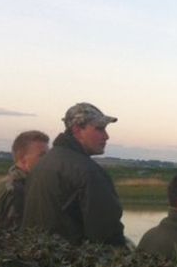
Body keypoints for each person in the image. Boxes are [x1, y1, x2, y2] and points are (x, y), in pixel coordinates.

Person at [21, 102, 127, 246]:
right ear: (77, 130)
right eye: (99, 129)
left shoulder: (43, 163)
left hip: (36, 260)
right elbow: (107, 236)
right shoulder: (88, 172)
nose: (106, 136)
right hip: (71, 264)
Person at [0, 130, 50, 230]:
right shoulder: (17, 189)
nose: (48, 160)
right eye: (42, 155)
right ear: (23, 160)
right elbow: (16, 238)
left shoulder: (10, 182)